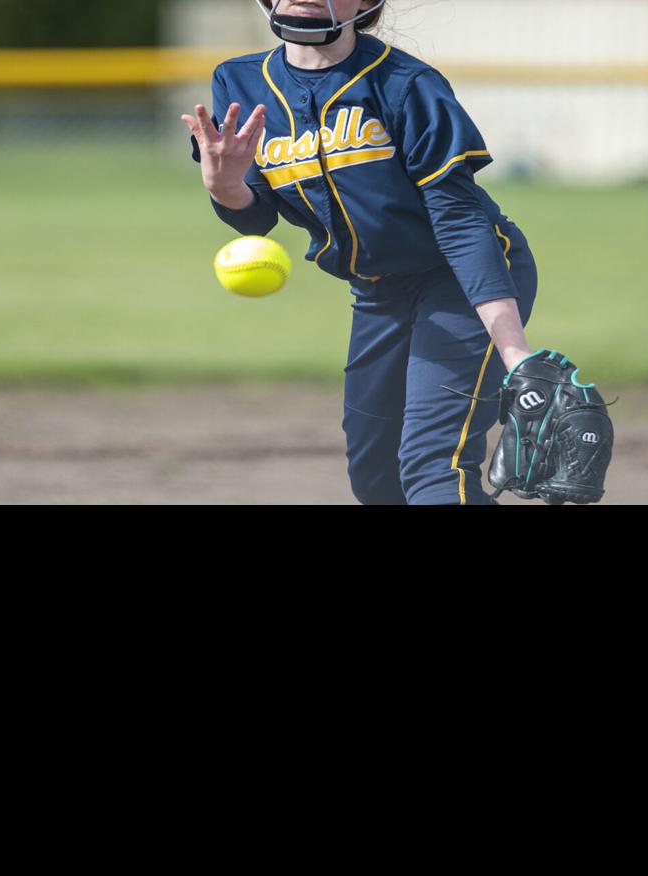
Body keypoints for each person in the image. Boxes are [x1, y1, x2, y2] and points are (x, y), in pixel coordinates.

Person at [181, 0, 599, 505]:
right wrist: (224, 186)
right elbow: (255, 217)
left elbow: (460, 220)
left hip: (458, 278)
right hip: (378, 292)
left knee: (435, 469)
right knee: (377, 479)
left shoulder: (406, 83)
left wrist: (515, 356)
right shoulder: (240, 82)